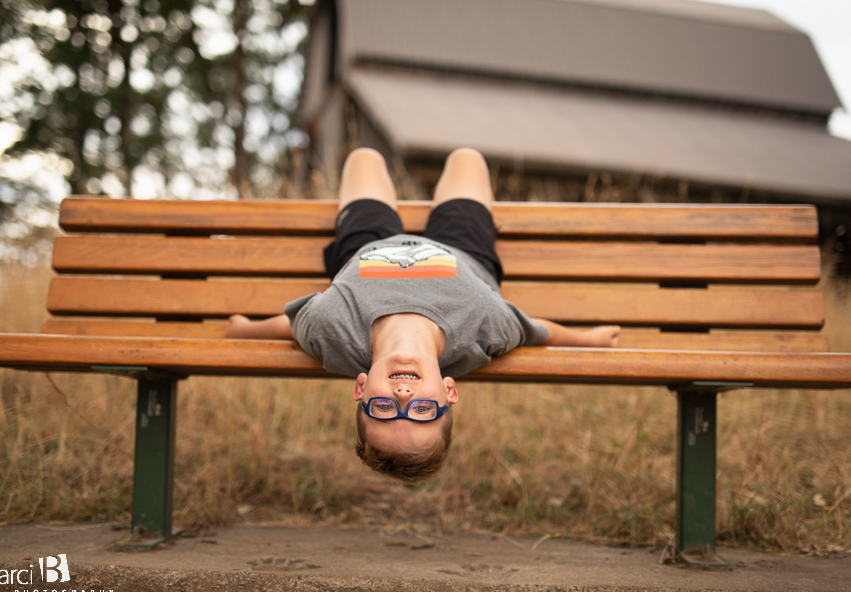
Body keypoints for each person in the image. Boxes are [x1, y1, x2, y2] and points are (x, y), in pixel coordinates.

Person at [225, 148, 620, 483]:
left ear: (360, 390)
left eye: (383, 410)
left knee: (364, 158)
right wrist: (590, 340)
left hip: (369, 244)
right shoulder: (482, 327)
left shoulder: (334, 330)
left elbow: (293, 325)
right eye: (422, 411)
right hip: (464, 249)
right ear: (449, 392)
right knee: (466, 159)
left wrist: (246, 330)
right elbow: (537, 331)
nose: (403, 398)